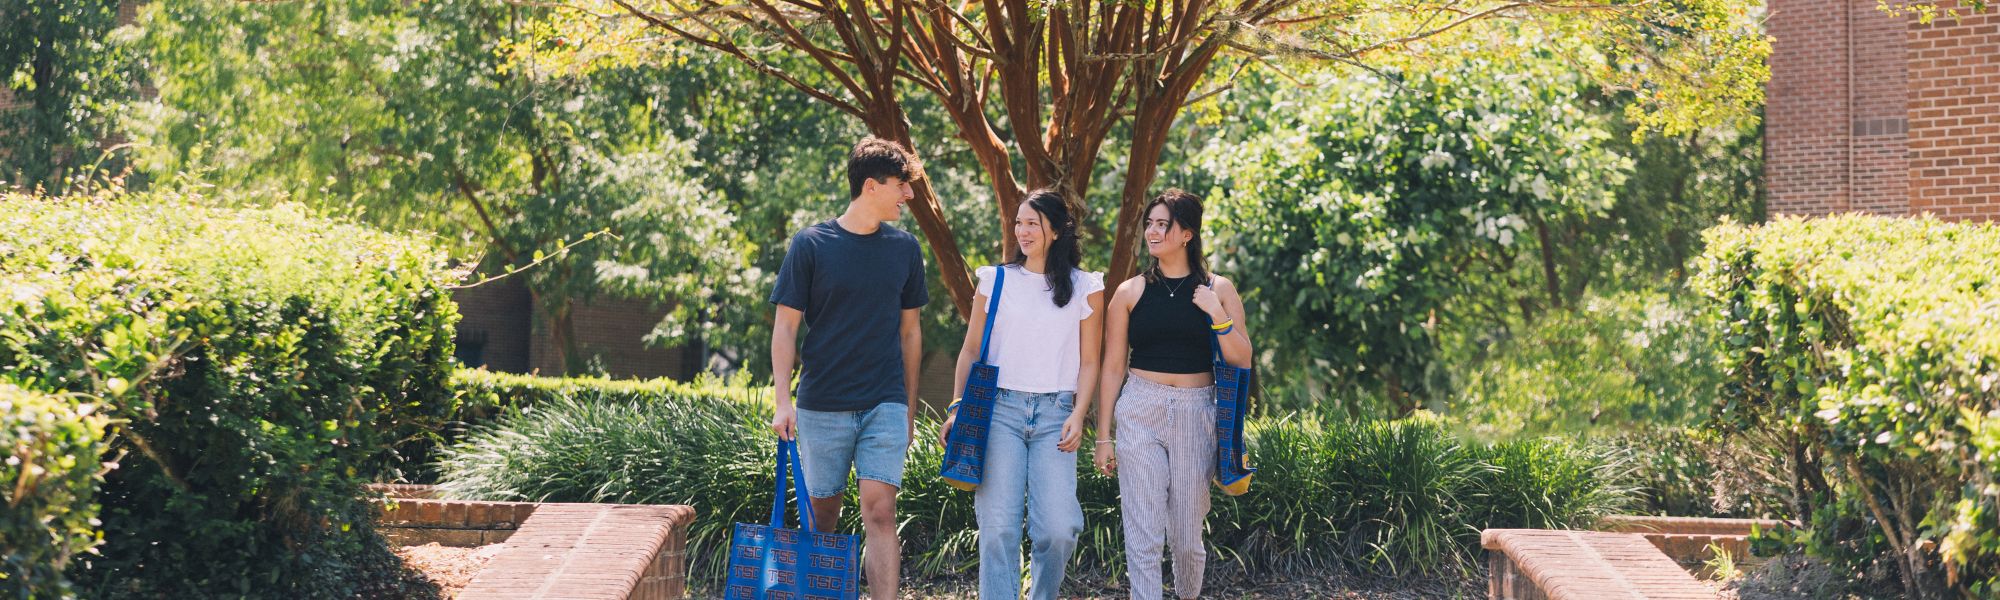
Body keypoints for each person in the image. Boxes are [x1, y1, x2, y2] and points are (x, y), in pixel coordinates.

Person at [768, 136, 928, 600]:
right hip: (824, 406)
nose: (909, 195)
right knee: (824, 518)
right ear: (873, 186)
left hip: (884, 404)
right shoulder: (812, 245)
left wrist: (908, 407)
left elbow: (911, 334)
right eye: (902, 185)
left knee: (880, 512)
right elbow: (784, 329)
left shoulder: (904, 249)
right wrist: (783, 401)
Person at [941, 189, 1103, 599]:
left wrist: (1079, 413)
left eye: (1032, 222)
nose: (1022, 231)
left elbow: (1089, 362)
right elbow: (971, 349)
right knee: (998, 530)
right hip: (999, 412)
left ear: (1055, 229)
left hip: (1056, 415)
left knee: (1058, 530)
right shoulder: (995, 280)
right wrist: (958, 406)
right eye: (1018, 222)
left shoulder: (1087, 287)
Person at [1095, 188, 1252, 600]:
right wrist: (1103, 435)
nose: (1152, 231)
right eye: (1149, 223)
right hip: (1140, 408)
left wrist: (1217, 314)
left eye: (1163, 224)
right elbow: (1112, 366)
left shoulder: (1219, 288)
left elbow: (1243, 357)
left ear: (1187, 233)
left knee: (1186, 539)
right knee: (1143, 536)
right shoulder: (1129, 292)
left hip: (1196, 411)